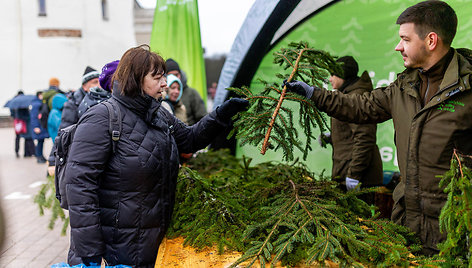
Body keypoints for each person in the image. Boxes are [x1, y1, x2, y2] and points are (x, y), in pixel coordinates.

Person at [284, 0, 472, 255]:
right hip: (408, 225)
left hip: (454, 230)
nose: (398, 47)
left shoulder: (467, 90)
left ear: (430, 41)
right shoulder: (404, 87)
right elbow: (360, 107)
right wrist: (314, 94)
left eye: (405, 39)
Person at [64, 45, 248, 267]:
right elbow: (79, 186)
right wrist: (90, 252)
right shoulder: (102, 118)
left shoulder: (159, 113)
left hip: (153, 245)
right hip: (114, 251)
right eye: (158, 77)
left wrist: (220, 115)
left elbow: (189, 140)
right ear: (136, 79)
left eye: (165, 77)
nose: (165, 83)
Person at [325, 56, 383, 193]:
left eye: (333, 74)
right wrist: (332, 137)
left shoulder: (356, 98)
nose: (330, 79)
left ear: (342, 74)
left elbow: (365, 138)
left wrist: (354, 175)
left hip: (359, 178)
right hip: (344, 171)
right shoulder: (346, 94)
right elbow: (349, 133)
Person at [165, 58, 207, 125]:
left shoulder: (192, 93)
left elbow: (203, 118)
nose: (176, 92)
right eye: (170, 75)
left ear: (180, 74)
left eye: (176, 75)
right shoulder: (159, 97)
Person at [30, 91, 50, 163]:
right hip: (38, 126)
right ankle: (39, 157)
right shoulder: (36, 104)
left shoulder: (39, 103)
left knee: (41, 141)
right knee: (39, 142)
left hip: (40, 125)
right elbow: (34, 117)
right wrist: (36, 127)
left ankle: (41, 156)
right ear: (39, 95)